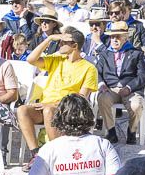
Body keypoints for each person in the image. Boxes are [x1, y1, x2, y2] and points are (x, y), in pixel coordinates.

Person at [16, 27, 98, 157]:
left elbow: (81, 98)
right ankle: (36, 155)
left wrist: (54, 104)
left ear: (74, 45)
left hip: (68, 110)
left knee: (49, 110)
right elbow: (30, 59)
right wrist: (49, 39)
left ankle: (56, 155)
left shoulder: (89, 68)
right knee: (22, 110)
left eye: (63, 42)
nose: (59, 43)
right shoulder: (57, 59)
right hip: (45, 106)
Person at [94, 19, 145, 145]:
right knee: (102, 98)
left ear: (125, 38)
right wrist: (101, 85)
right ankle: (111, 132)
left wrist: (129, 88)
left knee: (136, 105)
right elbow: (97, 72)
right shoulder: (105, 54)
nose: (114, 40)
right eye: (112, 36)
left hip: (130, 89)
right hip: (110, 88)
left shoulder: (136, 53)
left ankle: (132, 130)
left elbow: (142, 76)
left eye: (118, 36)